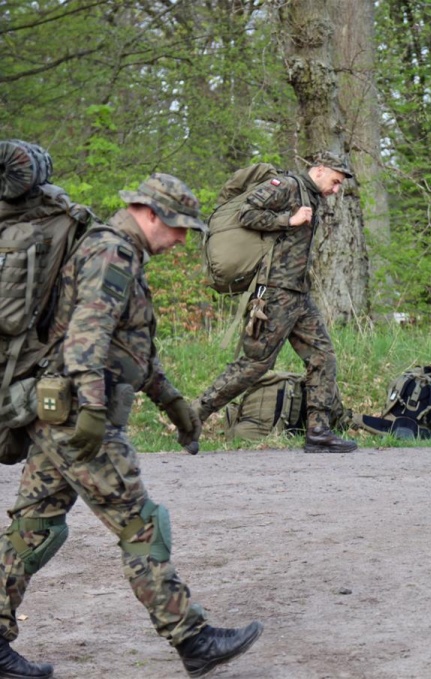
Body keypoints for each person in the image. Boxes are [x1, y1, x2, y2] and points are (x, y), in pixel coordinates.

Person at [0, 174, 263, 679]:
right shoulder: (112, 254)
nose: (184, 240)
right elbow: (86, 340)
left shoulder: (118, 253)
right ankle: (193, 638)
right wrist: (94, 415)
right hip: (79, 419)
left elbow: (130, 347)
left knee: (30, 531)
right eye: (179, 228)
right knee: (141, 524)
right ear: (149, 213)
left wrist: (173, 403)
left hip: (59, 413)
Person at [193, 152, 358, 454]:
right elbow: (247, 212)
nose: (336, 190)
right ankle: (192, 417)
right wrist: (288, 219)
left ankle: (319, 431)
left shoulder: (312, 195)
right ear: (320, 170)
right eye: (335, 182)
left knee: (322, 355)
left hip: (297, 292)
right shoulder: (286, 185)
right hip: (274, 293)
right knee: (255, 364)